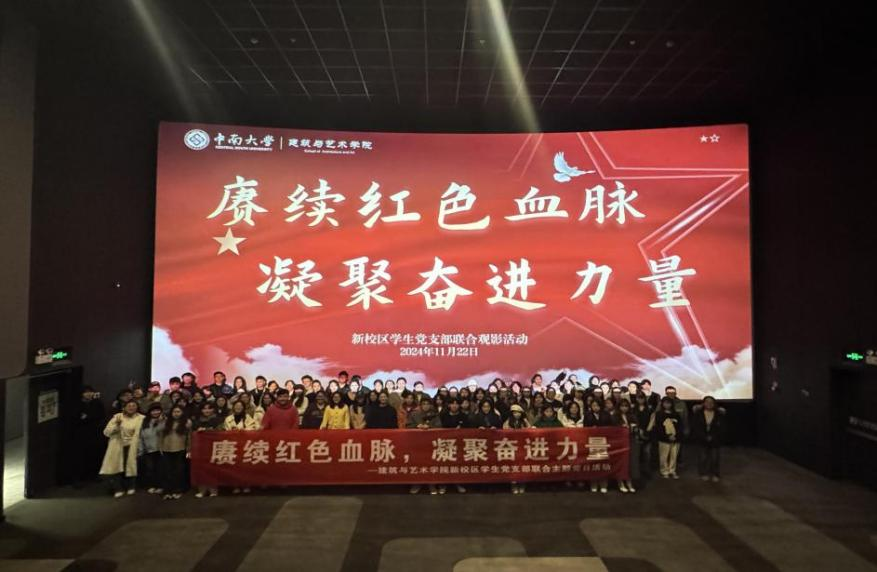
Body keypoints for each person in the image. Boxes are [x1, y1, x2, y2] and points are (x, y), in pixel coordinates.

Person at [100, 400, 144, 498]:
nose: (131, 407)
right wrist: (117, 425)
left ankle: (131, 486)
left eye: (134, 405)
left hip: (134, 445)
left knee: (131, 466)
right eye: (129, 405)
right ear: (124, 407)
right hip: (118, 446)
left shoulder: (141, 418)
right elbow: (106, 432)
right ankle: (118, 488)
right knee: (117, 467)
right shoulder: (118, 417)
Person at [73, 385, 106, 486]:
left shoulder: (97, 403)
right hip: (81, 435)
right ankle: (78, 478)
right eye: (86, 392)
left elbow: (101, 416)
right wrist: (88, 417)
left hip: (95, 433)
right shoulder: (77, 404)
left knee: (95, 454)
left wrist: (87, 417)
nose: (88, 394)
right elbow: (76, 418)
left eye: (90, 392)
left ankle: (94, 475)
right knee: (80, 456)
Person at [191, 401, 224, 497]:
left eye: (209, 408)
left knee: (213, 468)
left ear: (213, 409)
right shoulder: (196, 420)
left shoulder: (218, 419)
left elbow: (221, 431)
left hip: (213, 446)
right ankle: (202, 490)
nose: (207, 410)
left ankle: (213, 489)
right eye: (204, 408)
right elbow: (192, 433)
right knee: (201, 468)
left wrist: (207, 430)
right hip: (200, 447)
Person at [690, 396, 726, 482]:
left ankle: (715, 474)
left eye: (711, 402)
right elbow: (696, 427)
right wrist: (704, 436)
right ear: (703, 403)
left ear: (714, 404)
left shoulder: (719, 414)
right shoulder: (698, 414)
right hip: (702, 439)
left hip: (715, 440)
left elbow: (722, 428)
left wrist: (713, 436)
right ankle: (703, 473)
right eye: (707, 402)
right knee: (703, 458)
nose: (709, 404)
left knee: (715, 458)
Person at [159, 405, 190, 500]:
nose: (176, 414)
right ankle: (167, 491)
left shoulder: (187, 422)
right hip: (166, 449)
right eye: (174, 412)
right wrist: (160, 447)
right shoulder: (166, 422)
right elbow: (160, 434)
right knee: (167, 471)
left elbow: (189, 437)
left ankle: (178, 490)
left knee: (179, 471)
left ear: (182, 412)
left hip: (180, 449)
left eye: (178, 411)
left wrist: (189, 449)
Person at [585, 400, 612, 493]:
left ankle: (604, 483)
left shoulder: (606, 414)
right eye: (593, 405)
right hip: (592, 440)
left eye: (597, 405)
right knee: (593, 463)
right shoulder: (588, 415)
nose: (595, 407)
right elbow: (584, 427)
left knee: (603, 462)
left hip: (603, 440)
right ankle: (593, 482)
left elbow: (611, 426)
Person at [612, 399, 639, 493]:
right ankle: (620, 482)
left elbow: (637, 428)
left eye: (626, 406)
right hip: (619, 443)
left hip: (631, 441)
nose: (624, 408)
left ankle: (629, 482)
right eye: (622, 406)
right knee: (621, 462)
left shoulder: (632, 416)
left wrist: (632, 427)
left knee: (630, 462)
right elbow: (613, 430)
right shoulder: (615, 416)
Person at [138, 403, 165, 494]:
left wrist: (160, 422)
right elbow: (141, 436)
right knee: (150, 468)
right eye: (153, 410)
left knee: (160, 469)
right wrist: (141, 449)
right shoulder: (144, 422)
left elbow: (161, 431)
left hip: (161, 449)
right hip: (149, 449)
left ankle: (160, 486)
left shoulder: (165, 421)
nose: (156, 412)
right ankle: (152, 485)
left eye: (158, 410)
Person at [654, 396, 682, 479]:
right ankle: (664, 471)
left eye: (669, 403)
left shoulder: (676, 414)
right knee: (664, 456)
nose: (667, 405)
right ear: (662, 404)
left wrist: (675, 436)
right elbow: (659, 427)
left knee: (674, 456)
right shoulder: (659, 414)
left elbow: (680, 426)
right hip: (663, 439)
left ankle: (672, 470)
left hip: (676, 438)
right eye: (665, 403)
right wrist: (667, 436)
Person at [504, 404, 529, 494]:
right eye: (515, 413)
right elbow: (504, 432)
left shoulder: (524, 421)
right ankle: (513, 484)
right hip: (511, 447)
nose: (517, 414)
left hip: (523, 447)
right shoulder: (508, 422)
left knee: (522, 466)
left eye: (519, 413)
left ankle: (522, 483)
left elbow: (529, 431)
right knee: (513, 467)